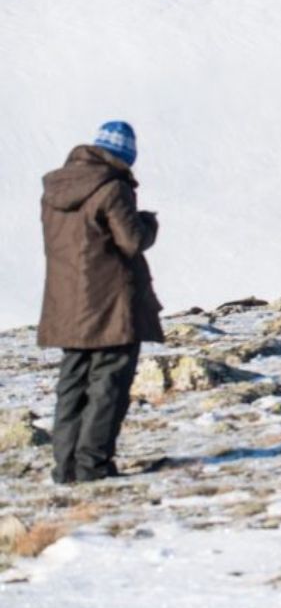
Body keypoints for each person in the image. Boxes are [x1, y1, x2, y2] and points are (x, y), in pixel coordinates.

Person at [38, 121, 164, 484]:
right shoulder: (112, 188)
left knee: (73, 385)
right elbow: (132, 241)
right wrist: (148, 223)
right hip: (109, 304)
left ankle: (66, 468)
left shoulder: (54, 189)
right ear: (125, 155)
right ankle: (93, 465)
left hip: (66, 305)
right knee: (108, 386)